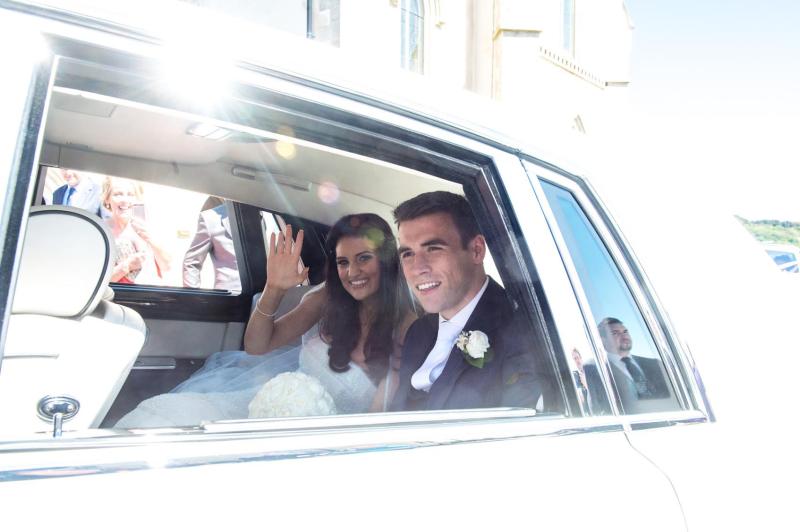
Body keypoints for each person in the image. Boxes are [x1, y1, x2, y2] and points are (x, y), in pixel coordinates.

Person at [115, 213, 416, 428]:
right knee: (168, 418)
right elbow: (258, 346)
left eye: (364, 258)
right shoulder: (327, 298)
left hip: (324, 437)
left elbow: (373, 423)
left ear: (387, 259)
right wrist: (275, 288)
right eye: (343, 262)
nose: (352, 272)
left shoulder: (408, 327)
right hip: (257, 406)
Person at [390, 191, 543, 411]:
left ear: (476, 250)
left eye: (433, 249)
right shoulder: (418, 331)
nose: (417, 269)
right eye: (407, 254)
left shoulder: (524, 334)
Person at [584, 317, 671, 415]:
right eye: (615, 333)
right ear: (602, 340)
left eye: (625, 331)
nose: (624, 336)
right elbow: (597, 410)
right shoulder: (594, 370)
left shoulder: (654, 364)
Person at [102, 176, 171, 284]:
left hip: (147, 296)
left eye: (130, 194)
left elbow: (166, 267)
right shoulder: (101, 231)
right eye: (118, 194)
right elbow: (97, 281)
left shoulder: (149, 226)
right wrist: (126, 266)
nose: (125, 200)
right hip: (113, 297)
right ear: (107, 198)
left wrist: (151, 240)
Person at [182, 196, 241, 291]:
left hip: (264, 298)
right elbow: (191, 262)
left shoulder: (263, 213)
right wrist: (193, 299)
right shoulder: (210, 218)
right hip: (228, 299)